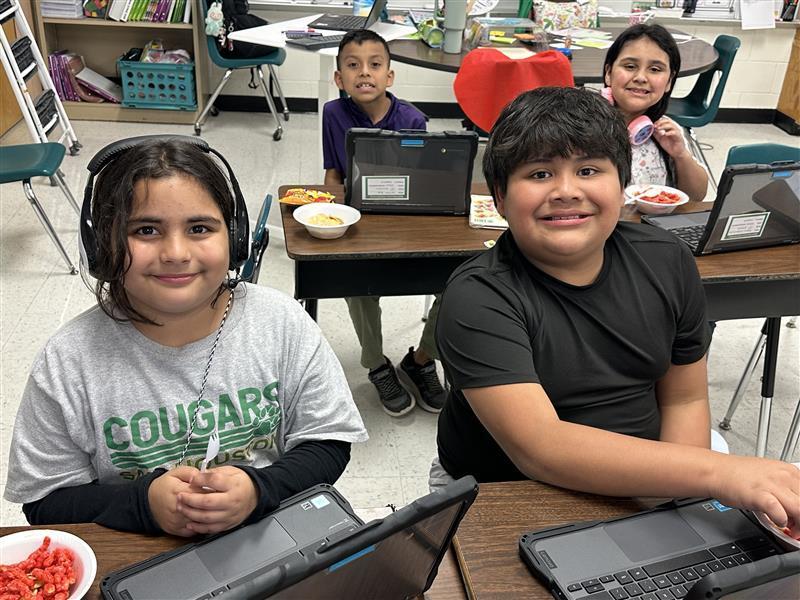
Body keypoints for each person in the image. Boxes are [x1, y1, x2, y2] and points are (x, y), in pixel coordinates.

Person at [430, 87, 800, 537]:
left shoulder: (666, 259)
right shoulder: (479, 296)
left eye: (588, 170)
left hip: (648, 474)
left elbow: (683, 397)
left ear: (622, 185)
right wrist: (717, 473)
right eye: (540, 173)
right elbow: (542, 448)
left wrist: (677, 504)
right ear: (502, 199)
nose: (566, 191)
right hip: (507, 489)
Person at [4, 136, 368, 537]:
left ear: (234, 237)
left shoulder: (281, 323)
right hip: (140, 553)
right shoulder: (68, 361)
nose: (176, 252)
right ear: (101, 244)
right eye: (145, 230)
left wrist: (258, 488)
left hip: (267, 534)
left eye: (199, 228)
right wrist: (143, 504)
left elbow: (329, 442)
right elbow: (44, 503)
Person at [321, 29, 446, 417]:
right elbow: (331, 176)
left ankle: (422, 359)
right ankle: (377, 364)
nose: (365, 73)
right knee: (354, 282)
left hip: (404, 221)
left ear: (389, 76)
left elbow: (421, 184)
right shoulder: (334, 113)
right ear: (339, 78)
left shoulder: (411, 119)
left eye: (375, 65)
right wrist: (333, 215)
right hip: (357, 222)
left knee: (456, 278)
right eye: (353, 66)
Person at [602, 23, 709, 202]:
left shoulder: (665, 131)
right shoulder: (583, 124)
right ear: (608, 73)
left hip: (649, 225)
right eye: (630, 66)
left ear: (669, 82)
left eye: (655, 69)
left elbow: (696, 196)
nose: (641, 78)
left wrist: (680, 155)